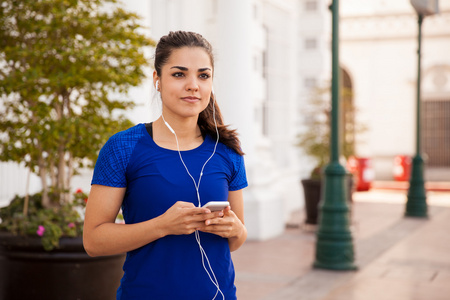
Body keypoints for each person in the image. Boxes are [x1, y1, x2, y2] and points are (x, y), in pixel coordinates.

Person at [83, 31, 248, 300]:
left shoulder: (227, 151)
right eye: (179, 74)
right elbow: (93, 241)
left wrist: (236, 229)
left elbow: (235, 240)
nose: (193, 85)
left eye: (203, 76)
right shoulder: (124, 147)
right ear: (157, 80)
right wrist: (163, 225)